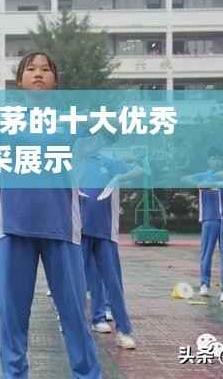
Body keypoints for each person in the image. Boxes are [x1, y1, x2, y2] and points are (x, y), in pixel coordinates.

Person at [0, 52, 101, 379]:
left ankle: (88, 374)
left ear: (55, 81)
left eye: (45, 69)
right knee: (12, 318)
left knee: (74, 314)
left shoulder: (71, 120)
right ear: (19, 80)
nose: (38, 73)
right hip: (13, 226)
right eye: (31, 69)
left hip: (61, 226)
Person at [78, 133, 142, 349]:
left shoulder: (108, 162)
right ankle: (91, 319)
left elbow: (140, 170)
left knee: (112, 281)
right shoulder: (71, 162)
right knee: (79, 280)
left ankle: (124, 330)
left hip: (104, 230)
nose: (95, 143)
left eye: (100, 140)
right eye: (91, 139)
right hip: (78, 231)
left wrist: (118, 178)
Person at [182, 147, 223, 301]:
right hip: (209, 218)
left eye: (219, 158)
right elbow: (185, 179)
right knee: (206, 253)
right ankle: (204, 284)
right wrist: (203, 182)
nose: (217, 161)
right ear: (208, 160)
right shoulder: (203, 175)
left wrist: (212, 182)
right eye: (213, 158)